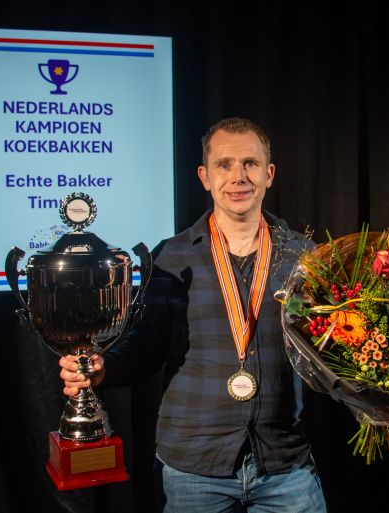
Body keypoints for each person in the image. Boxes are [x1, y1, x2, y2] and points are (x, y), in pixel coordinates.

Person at [59, 117, 327, 512]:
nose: (239, 177)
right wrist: (103, 369)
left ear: (269, 174)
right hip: (194, 468)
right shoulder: (170, 257)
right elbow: (146, 348)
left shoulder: (306, 257)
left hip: (284, 464)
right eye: (225, 165)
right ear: (205, 176)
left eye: (250, 164)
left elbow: (330, 348)